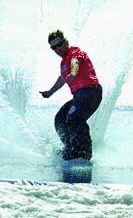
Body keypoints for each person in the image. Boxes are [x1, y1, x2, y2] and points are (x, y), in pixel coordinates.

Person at [40, 30, 102, 161]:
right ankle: (70, 147)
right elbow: (62, 78)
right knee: (60, 119)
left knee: (74, 118)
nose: (58, 49)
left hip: (91, 92)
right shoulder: (63, 63)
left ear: (65, 42)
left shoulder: (75, 53)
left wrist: (73, 73)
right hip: (79, 96)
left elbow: (75, 64)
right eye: (54, 47)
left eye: (59, 44)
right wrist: (50, 92)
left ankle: (83, 153)